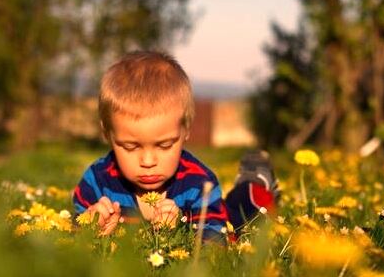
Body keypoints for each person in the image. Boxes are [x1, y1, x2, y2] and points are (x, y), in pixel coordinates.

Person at [72, 51, 279, 242]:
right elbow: (72, 233)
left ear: (185, 130)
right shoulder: (97, 181)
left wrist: (180, 228)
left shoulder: (200, 184)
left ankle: (253, 183)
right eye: (130, 147)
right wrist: (90, 227)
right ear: (108, 133)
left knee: (245, 217)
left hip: (232, 217)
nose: (148, 161)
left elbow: (215, 245)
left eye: (164, 145)